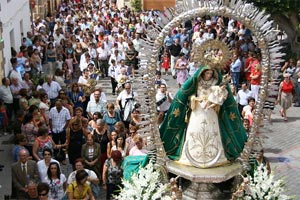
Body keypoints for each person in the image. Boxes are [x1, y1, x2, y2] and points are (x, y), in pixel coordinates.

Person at [160, 66, 247, 168]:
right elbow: (187, 94)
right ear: (202, 73)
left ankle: (214, 154)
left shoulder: (215, 83)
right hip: (198, 110)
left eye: (211, 73)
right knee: (195, 130)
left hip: (211, 111)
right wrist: (194, 99)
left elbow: (220, 95)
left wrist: (219, 94)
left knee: (212, 131)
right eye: (207, 73)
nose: (209, 75)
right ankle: (193, 154)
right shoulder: (196, 81)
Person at [49, 99, 71, 163]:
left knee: (63, 144)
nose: (58, 106)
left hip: (62, 130)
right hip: (54, 130)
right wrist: (51, 128)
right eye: (56, 105)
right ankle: (55, 157)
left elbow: (68, 120)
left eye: (59, 105)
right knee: (54, 144)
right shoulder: (52, 110)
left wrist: (64, 128)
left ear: (61, 104)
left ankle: (63, 158)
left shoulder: (66, 110)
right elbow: (50, 119)